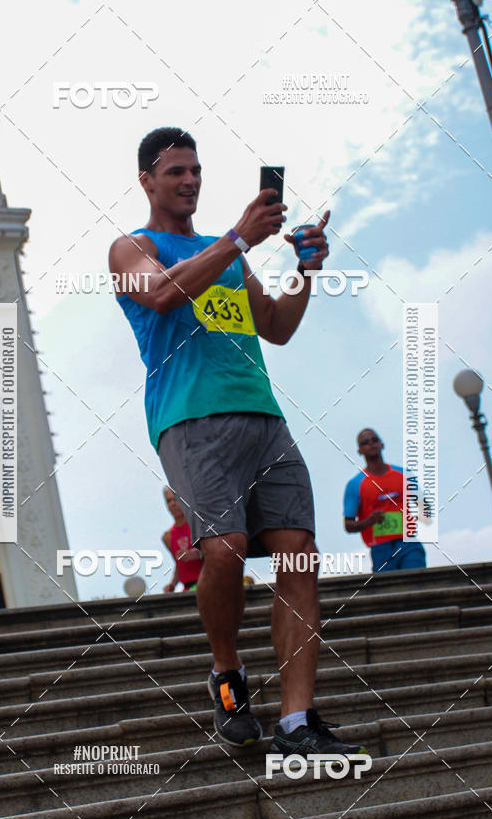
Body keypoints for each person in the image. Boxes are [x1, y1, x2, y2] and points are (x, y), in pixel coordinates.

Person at [109, 126, 365, 758]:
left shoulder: (230, 257)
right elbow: (166, 294)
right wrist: (237, 238)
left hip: (263, 416)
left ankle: (297, 719)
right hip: (190, 420)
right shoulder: (130, 248)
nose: (190, 181)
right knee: (223, 547)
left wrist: (305, 269)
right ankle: (228, 670)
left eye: (195, 170)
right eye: (175, 172)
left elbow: (275, 327)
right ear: (147, 180)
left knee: (298, 550)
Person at [343, 428, 427, 571]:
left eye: (374, 440)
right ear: (360, 451)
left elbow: (424, 507)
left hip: (409, 543)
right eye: (365, 442)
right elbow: (348, 525)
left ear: (382, 444)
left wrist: (419, 514)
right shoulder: (355, 484)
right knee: (391, 591)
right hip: (380, 549)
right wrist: (370, 521)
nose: (371, 444)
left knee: (417, 585)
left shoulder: (404, 474)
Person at [161, 486, 202, 592]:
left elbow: (217, 552)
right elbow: (179, 566)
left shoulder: (199, 526)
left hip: (209, 585)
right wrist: (172, 584)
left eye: (176, 499)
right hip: (188, 590)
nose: (173, 504)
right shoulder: (167, 537)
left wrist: (198, 554)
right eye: (169, 501)